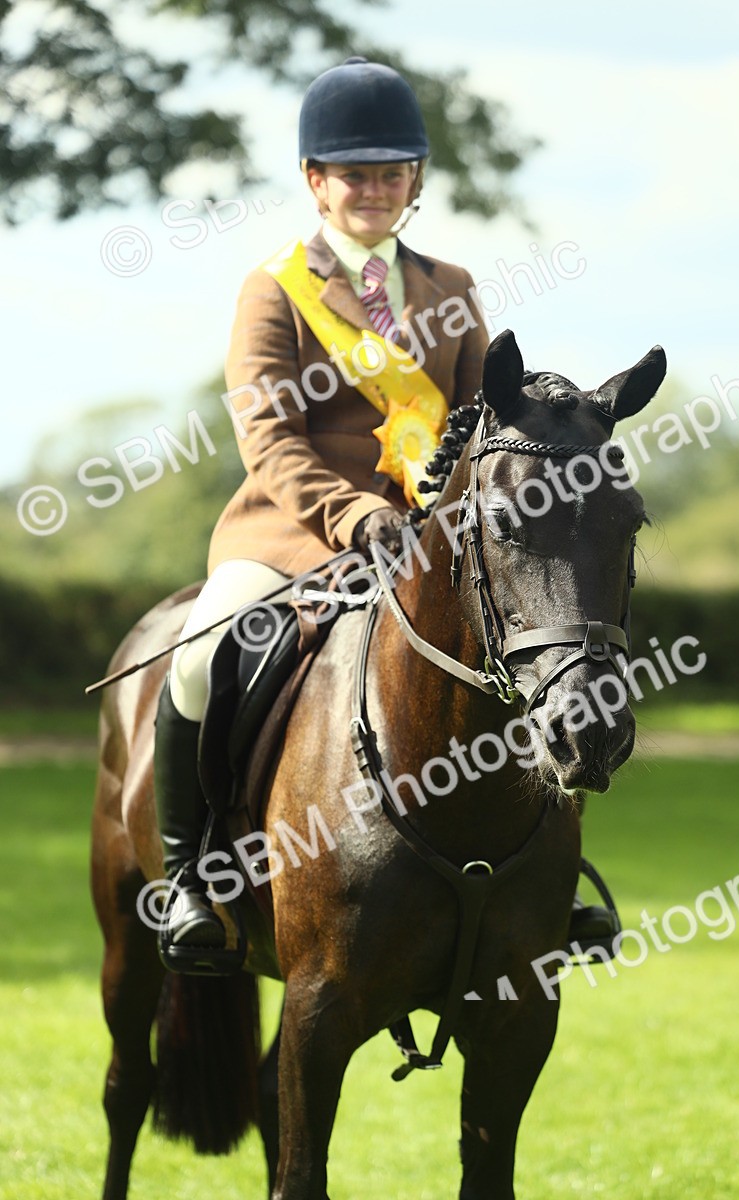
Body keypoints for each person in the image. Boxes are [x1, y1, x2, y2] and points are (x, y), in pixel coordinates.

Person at [154, 57, 489, 955]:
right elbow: (268, 438)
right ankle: (187, 879)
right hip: (293, 534)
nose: (374, 190)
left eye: (391, 173)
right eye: (354, 174)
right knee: (201, 655)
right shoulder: (275, 289)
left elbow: (476, 422)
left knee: (528, 645)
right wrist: (353, 515)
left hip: (426, 539)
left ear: (415, 178)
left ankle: (544, 875)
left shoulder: (453, 289)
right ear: (315, 180)